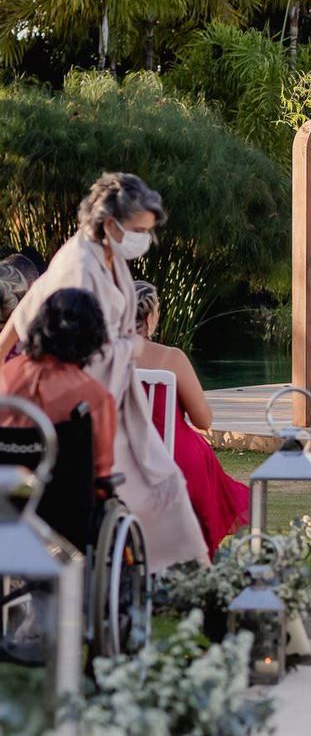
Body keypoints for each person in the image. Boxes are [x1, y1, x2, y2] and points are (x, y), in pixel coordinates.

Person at [0, 172, 207, 571]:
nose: (144, 238)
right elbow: (31, 316)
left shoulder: (110, 258)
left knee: (163, 482)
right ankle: (165, 571)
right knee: (148, 482)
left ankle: (172, 569)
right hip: (81, 398)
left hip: (107, 388)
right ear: (111, 223)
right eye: (139, 229)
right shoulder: (77, 263)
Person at [133, 281, 248, 557]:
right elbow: (203, 420)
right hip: (174, 460)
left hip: (124, 456)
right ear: (150, 317)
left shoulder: (103, 356)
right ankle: (199, 556)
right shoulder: (171, 358)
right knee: (206, 463)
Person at [0, 287, 117, 484]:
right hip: (62, 509)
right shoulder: (96, 397)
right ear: (92, 335)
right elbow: (101, 470)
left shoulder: (4, 376)